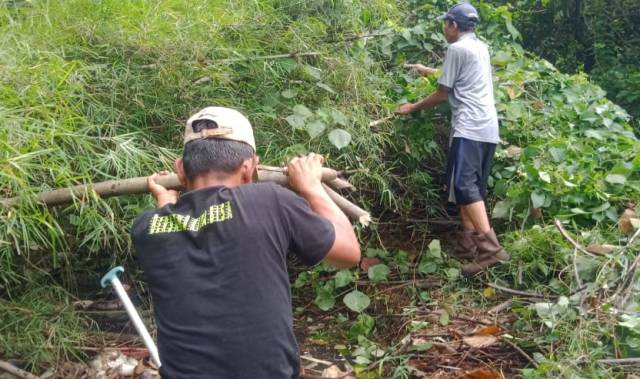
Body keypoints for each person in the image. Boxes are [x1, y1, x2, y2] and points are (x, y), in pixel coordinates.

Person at [130, 106, 361, 378]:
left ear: (181, 169)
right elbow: (349, 253)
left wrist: (165, 203)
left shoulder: (146, 227)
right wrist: (312, 187)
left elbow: (175, 224)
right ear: (249, 167)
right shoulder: (268, 200)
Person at [395, 3, 509, 275]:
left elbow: (443, 93)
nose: (444, 29)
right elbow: (460, 77)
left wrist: (411, 107)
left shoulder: (456, 49)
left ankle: (491, 251)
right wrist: (428, 70)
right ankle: (467, 246)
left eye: (445, 24)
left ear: (454, 25)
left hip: (469, 127)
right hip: (487, 128)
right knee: (470, 187)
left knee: (463, 185)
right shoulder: (479, 47)